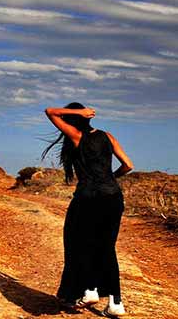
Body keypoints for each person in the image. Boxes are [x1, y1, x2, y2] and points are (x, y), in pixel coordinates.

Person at [41, 102, 133, 317]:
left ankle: (90, 290)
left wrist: (77, 112)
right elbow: (128, 165)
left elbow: (50, 111)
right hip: (113, 197)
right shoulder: (107, 136)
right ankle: (115, 303)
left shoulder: (75, 135)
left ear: (73, 120)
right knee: (107, 247)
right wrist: (110, 179)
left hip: (88, 198)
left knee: (79, 243)